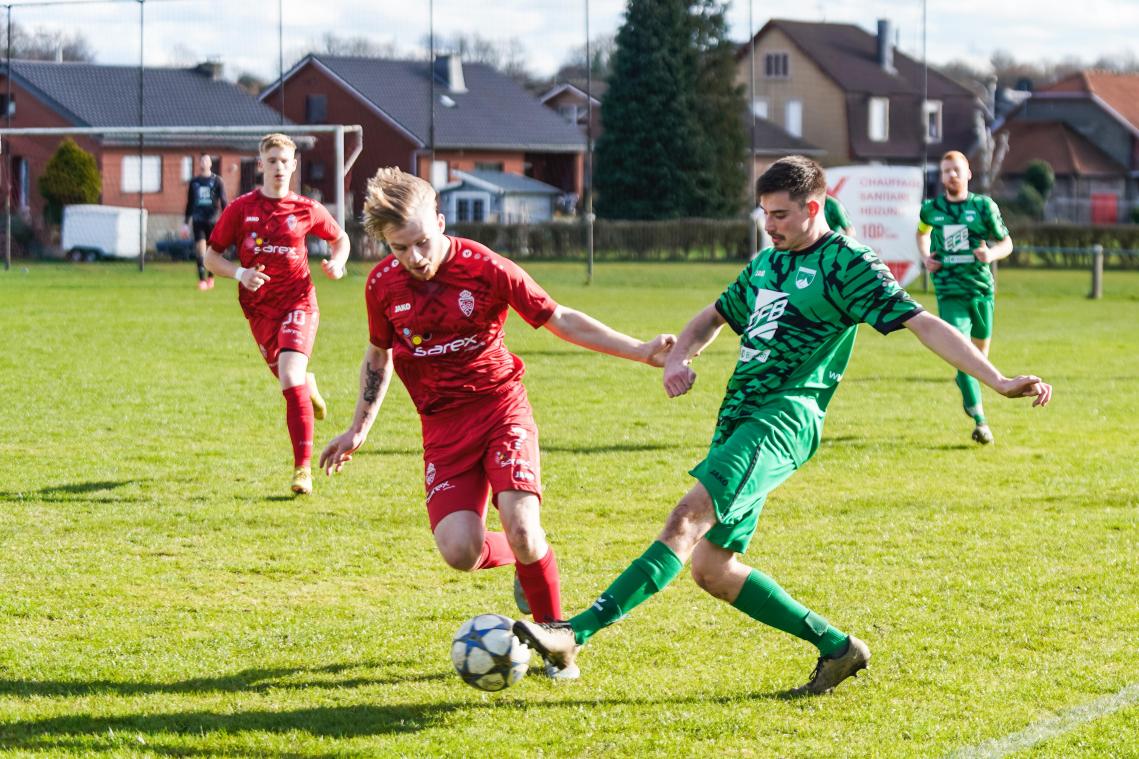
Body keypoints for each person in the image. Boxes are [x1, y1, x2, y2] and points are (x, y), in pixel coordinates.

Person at [513, 156, 1051, 696]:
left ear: (813, 208)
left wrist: (997, 379)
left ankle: (573, 631)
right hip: (739, 418)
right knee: (712, 568)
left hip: (784, 418)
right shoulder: (769, 264)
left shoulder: (848, 262)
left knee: (685, 518)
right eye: (765, 213)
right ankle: (839, 649)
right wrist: (680, 357)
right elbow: (714, 315)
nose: (769, 226)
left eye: (781, 215)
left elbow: (924, 323)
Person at [318, 167, 674, 679]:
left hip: (501, 408)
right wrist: (358, 428)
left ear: (441, 220)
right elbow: (379, 357)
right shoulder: (381, 286)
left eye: (422, 242)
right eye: (400, 248)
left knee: (524, 525)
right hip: (442, 428)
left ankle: (558, 645)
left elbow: (559, 317)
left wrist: (639, 351)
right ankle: (528, 566)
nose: (415, 258)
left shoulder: (483, 267)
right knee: (460, 552)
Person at [203, 133, 350, 495]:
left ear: (294, 164)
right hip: (258, 311)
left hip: (299, 302)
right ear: (261, 164)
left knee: (288, 375)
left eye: (285, 161)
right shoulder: (240, 209)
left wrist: (339, 262)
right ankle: (307, 384)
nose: (279, 168)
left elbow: (339, 238)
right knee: (291, 380)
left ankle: (303, 470)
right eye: (272, 161)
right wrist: (240, 273)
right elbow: (211, 257)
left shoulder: (306, 208)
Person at [917, 150, 1014, 445]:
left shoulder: (983, 207)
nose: (952, 175)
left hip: (980, 290)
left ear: (968, 173)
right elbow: (921, 233)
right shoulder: (931, 209)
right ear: (942, 176)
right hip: (949, 291)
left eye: (957, 170)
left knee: (979, 357)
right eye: (946, 171)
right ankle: (981, 421)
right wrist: (925, 257)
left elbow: (1006, 242)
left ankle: (968, 387)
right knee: (963, 355)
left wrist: (991, 253)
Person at [184, 154, 227, 291]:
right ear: (200, 163)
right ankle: (202, 280)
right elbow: (189, 203)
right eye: (202, 160)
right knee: (200, 250)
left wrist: (227, 219)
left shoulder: (217, 181)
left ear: (210, 163)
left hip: (213, 220)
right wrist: (185, 223)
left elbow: (224, 201)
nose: (204, 162)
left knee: (211, 251)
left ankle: (211, 277)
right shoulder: (194, 182)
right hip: (198, 219)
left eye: (206, 160)